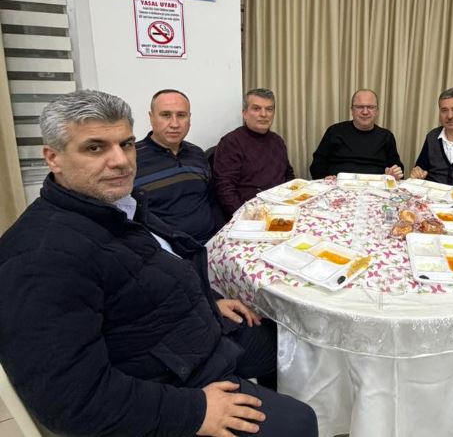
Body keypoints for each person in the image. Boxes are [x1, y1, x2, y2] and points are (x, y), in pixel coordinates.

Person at [0, 90, 318, 437]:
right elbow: (71, 400)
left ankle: (266, 395)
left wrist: (210, 300)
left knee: (289, 341)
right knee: (300, 421)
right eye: (94, 148)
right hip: (172, 383)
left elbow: (151, 271)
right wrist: (196, 411)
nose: (120, 161)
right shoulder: (38, 257)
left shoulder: (119, 206)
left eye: (125, 144)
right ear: (53, 158)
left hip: (189, 334)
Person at [134, 89, 223, 244]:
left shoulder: (197, 153)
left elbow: (211, 201)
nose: (174, 124)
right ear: (151, 117)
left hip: (210, 243)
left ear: (189, 118)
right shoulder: (132, 158)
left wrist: (222, 235)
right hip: (166, 250)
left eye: (181, 115)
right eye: (166, 115)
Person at [213, 88, 295, 216]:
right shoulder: (231, 142)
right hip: (250, 211)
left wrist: (292, 200)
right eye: (256, 108)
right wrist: (245, 216)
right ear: (245, 113)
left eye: (269, 109)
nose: (264, 114)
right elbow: (225, 189)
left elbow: (288, 175)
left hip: (281, 208)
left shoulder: (277, 140)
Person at [309, 89, 404, 179]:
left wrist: (394, 174)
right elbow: (317, 165)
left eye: (370, 107)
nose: (365, 112)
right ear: (352, 110)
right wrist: (325, 178)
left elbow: (398, 170)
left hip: (376, 187)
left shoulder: (386, 136)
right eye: (359, 107)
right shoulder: (334, 131)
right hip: (338, 186)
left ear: (377, 111)